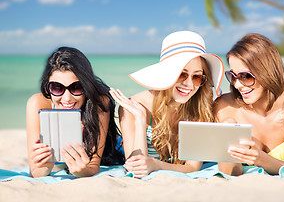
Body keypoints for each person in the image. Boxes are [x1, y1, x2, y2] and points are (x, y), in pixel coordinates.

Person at [110, 31, 224, 178]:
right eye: (182, 74)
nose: (189, 84)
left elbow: (192, 167)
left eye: (196, 77)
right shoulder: (135, 106)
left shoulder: (200, 108)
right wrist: (140, 119)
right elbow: (136, 168)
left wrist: (155, 165)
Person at [213, 33, 284, 175]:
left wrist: (260, 159)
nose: (238, 85)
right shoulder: (224, 107)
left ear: (267, 72)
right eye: (233, 76)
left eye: (245, 76)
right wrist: (227, 140)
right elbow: (229, 173)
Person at [26, 47, 125, 178]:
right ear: (47, 86)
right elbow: (35, 172)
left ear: (87, 85)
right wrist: (43, 168)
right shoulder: (37, 104)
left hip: (110, 151)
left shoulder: (99, 102)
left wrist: (82, 172)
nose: (67, 98)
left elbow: (93, 165)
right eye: (57, 87)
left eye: (76, 87)